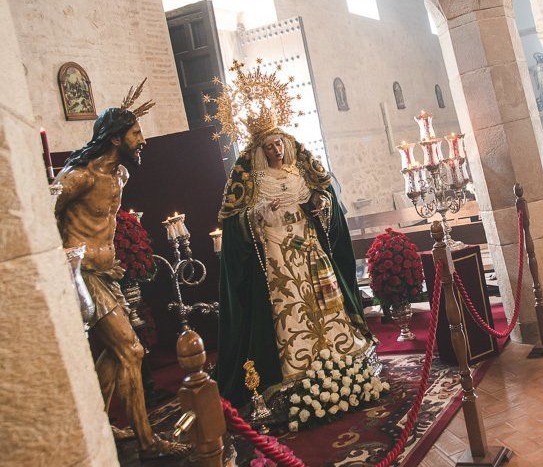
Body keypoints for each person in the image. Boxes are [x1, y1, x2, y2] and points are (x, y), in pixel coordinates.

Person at [215, 65, 376, 408]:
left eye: (278, 144)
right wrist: (259, 214)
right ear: (260, 151)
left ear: (285, 144)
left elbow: (326, 196)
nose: (275, 151)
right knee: (288, 309)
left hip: (309, 250)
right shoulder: (250, 180)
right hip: (278, 256)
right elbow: (235, 220)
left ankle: (340, 357)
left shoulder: (302, 169)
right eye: (269, 148)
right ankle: (296, 371)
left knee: (326, 302)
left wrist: (320, 203)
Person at [53, 82, 189, 460]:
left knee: (114, 357)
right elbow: (42, 217)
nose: (142, 140)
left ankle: (95, 424)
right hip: (84, 275)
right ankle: (147, 442)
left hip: (107, 275)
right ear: (115, 139)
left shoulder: (120, 177)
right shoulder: (78, 177)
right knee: (131, 350)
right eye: (136, 133)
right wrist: (79, 259)